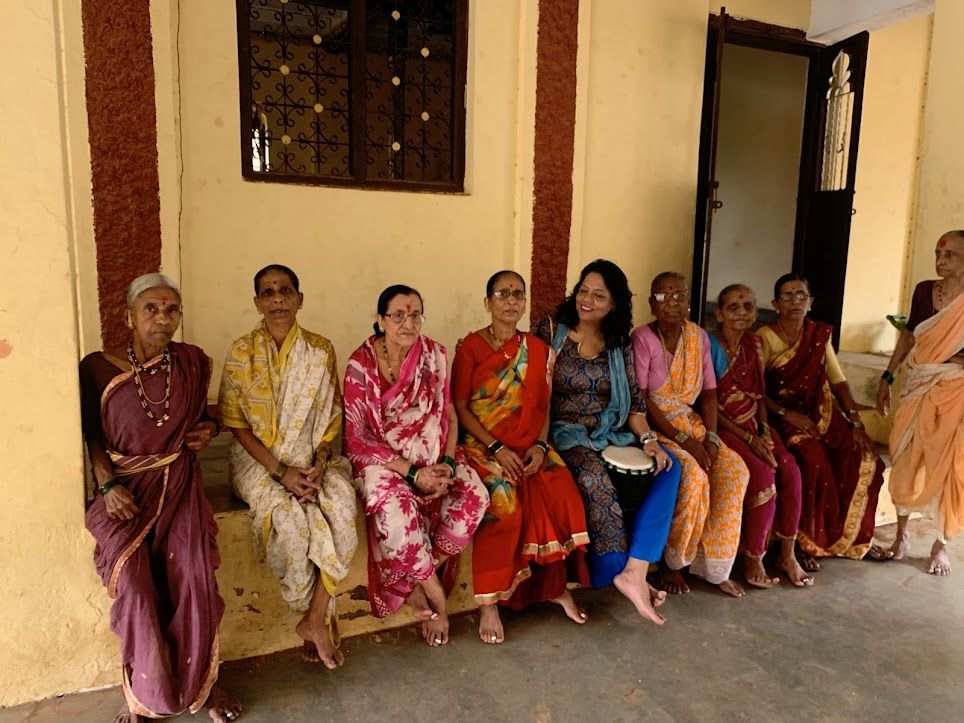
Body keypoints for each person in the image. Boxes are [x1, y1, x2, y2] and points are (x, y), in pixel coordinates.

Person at [81, 273, 241, 723]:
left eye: (171, 310)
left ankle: (206, 684)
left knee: (195, 579)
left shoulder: (190, 362)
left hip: (180, 482)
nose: (163, 318)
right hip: (125, 490)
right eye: (151, 308)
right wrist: (107, 485)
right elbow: (90, 433)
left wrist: (207, 430)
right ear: (128, 315)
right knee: (133, 584)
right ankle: (144, 694)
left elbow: (205, 420)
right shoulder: (97, 366)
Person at [219, 265, 358, 668]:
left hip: (312, 459)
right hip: (258, 464)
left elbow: (331, 417)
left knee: (342, 506)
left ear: (300, 298)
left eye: (285, 290)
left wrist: (318, 462)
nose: (277, 297)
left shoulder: (320, 350)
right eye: (268, 291)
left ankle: (314, 619)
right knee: (293, 524)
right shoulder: (241, 351)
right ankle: (308, 613)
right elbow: (235, 423)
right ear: (257, 303)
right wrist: (282, 473)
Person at [533, 260, 681, 625]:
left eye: (599, 295)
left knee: (669, 466)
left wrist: (648, 440)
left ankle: (636, 567)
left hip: (608, 430)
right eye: (583, 290)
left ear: (614, 303)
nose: (587, 300)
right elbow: (531, 392)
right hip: (560, 431)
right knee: (594, 479)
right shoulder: (550, 329)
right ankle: (620, 574)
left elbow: (632, 403)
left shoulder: (619, 344)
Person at [343, 285, 488, 647]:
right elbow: (357, 438)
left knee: (475, 498)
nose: (409, 323)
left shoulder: (435, 355)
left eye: (416, 314)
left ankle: (414, 578)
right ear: (380, 320)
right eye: (398, 315)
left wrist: (450, 463)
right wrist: (411, 472)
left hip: (434, 455)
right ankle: (435, 592)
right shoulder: (360, 365)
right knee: (395, 513)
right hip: (382, 460)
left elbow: (450, 415)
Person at [452, 270, 591, 644]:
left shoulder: (539, 350)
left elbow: (543, 407)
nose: (511, 300)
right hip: (484, 446)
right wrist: (497, 449)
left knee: (562, 490)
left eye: (518, 294)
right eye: (503, 293)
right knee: (504, 504)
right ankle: (489, 602)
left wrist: (541, 446)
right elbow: (461, 408)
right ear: (488, 302)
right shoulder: (471, 348)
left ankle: (554, 588)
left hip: (530, 444)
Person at [632, 272, 750, 597]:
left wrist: (710, 438)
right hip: (658, 427)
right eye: (662, 297)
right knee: (693, 475)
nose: (671, 302)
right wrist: (684, 441)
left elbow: (709, 394)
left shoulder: (698, 337)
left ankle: (713, 567)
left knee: (734, 471)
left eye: (678, 295)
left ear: (687, 300)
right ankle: (674, 564)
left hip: (693, 423)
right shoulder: (642, 338)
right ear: (651, 304)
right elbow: (641, 397)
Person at [758, 273, 884, 568]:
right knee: (814, 460)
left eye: (801, 295)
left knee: (865, 457)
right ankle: (804, 542)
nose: (795, 301)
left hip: (819, 412)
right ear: (776, 304)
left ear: (811, 302)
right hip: (781, 417)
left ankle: (852, 537)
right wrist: (787, 414)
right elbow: (757, 391)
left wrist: (855, 423)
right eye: (787, 296)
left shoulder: (818, 335)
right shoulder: (765, 338)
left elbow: (838, 382)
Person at [708, 284, 812, 588]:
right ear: (720, 314)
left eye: (748, 306)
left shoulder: (754, 344)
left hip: (755, 424)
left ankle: (787, 554)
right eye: (734, 307)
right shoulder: (710, 345)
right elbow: (709, 403)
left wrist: (765, 432)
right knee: (763, 473)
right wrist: (749, 438)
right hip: (725, 427)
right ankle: (754, 556)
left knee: (790, 470)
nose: (741, 313)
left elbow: (759, 396)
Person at [873, 230, 964, 575]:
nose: (941, 262)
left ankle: (941, 546)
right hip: (918, 384)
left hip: (956, 392)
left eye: (950, 256)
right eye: (938, 255)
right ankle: (901, 537)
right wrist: (888, 376)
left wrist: (952, 366)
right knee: (903, 454)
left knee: (952, 467)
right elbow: (910, 335)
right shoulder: (925, 291)